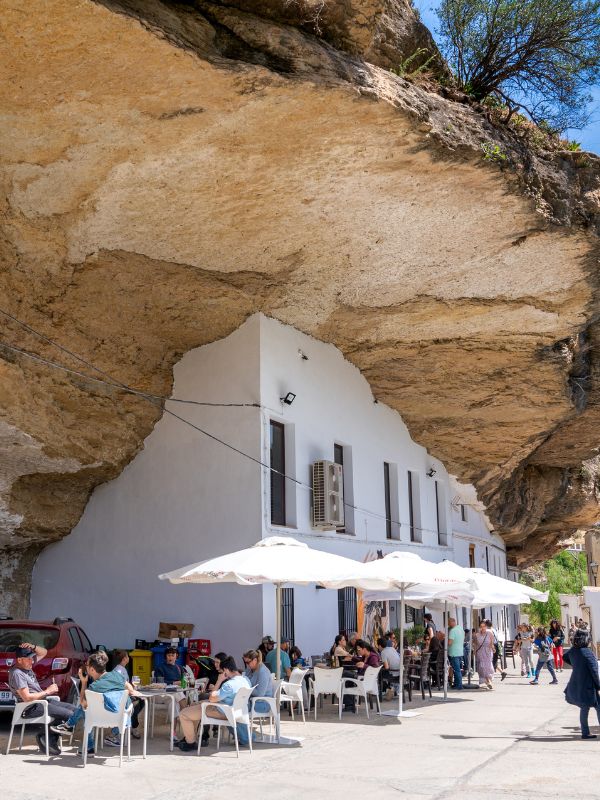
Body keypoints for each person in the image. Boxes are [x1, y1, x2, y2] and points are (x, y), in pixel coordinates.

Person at [8, 642, 77, 755]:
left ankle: (48, 737)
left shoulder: (26, 665)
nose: (32, 661)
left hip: (41, 702)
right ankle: (45, 736)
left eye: (32, 658)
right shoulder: (17, 673)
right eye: (29, 659)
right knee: (69, 715)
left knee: (75, 710)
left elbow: (44, 652)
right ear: (19, 660)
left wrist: (32, 646)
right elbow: (27, 698)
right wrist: (47, 691)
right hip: (31, 707)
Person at [178, 656, 251, 751]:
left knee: (184, 714)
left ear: (226, 670)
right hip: (236, 711)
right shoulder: (245, 680)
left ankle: (190, 742)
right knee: (193, 706)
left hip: (222, 711)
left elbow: (212, 698)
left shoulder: (229, 684)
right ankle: (190, 737)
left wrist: (219, 680)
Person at [563, 629, 600, 739]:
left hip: (578, 682)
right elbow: (594, 671)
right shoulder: (587, 653)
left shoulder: (573, 651)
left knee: (584, 708)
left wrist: (576, 665)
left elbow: (564, 657)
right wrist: (598, 685)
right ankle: (585, 733)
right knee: (598, 707)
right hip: (589, 686)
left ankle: (585, 732)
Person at [111, 649, 143, 740]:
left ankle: (133, 725)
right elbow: (121, 685)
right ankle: (133, 727)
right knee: (137, 703)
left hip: (124, 695)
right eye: (128, 656)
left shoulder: (121, 669)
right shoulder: (119, 670)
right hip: (121, 697)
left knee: (140, 702)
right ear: (125, 658)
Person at [474, 621, 495, 690]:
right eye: (481, 627)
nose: (482, 628)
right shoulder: (477, 635)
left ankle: (488, 681)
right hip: (480, 652)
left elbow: (492, 643)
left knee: (488, 667)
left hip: (488, 652)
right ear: (479, 627)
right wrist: (474, 652)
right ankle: (488, 682)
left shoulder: (490, 633)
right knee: (482, 667)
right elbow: (476, 645)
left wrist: (493, 648)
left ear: (486, 627)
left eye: (484, 626)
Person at [447, 617, 465, 690]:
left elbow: (450, 642)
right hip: (460, 651)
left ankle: (459, 685)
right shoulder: (461, 629)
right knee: (457, 669)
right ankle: (456, 684)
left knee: (456, 669)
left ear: (452, 622)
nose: (448, 624)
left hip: (454, 652)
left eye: (448, 622)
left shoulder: (453, 631)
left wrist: (446, 643)